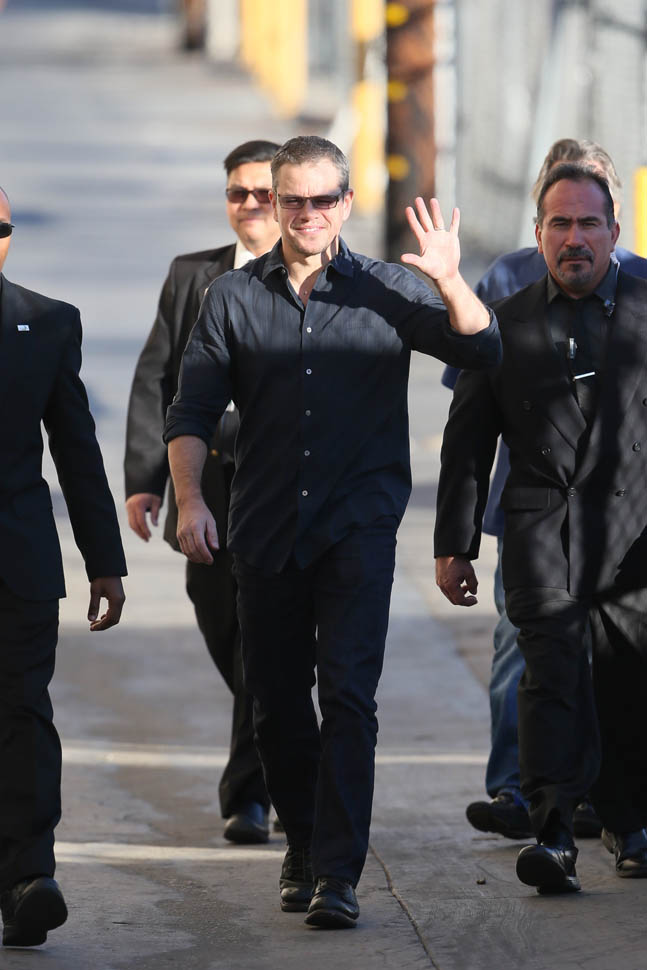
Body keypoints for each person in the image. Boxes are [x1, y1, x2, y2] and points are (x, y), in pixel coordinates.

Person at [164, 134, 500, 928]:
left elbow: (481, 347)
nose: (308, 213)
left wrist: (450, 280)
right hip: (263, 528)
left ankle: (338, 875)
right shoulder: (232, 297)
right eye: (293, 200)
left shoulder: (389, 288)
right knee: (276, 703)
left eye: (323, 199)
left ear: (346, 203)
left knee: (348, 699)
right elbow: (191, 412)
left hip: (357, 528)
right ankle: (305, 844)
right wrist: (190, 501)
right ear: (275, 203)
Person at [435, 163, 647, 895]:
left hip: (634, 538)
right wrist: (454, 545)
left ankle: (628, 821)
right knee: (550, 683)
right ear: (538, 234)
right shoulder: (504, 322)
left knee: (626, 685)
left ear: (614, 233)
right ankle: (553, 835)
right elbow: (466, 443)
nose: (574, 238)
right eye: (559, 224)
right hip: (542, 532)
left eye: (588, 223)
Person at [124, 139, 280, 844]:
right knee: (221, 622)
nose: (249, 204)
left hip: (281, 485)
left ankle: (249, 794)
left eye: (262, 192)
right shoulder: (194, 276)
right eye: (236, 193)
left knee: (262, 639)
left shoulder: (315, 277)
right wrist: (145, 480)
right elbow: (156, 376)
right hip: (207, 482)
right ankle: (284, 749)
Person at [0, 187, 126, 946]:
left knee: (22, 714)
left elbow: (76, 449)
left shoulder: (46, 322)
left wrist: (103, 560)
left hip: (17, 562)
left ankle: (27, 879)